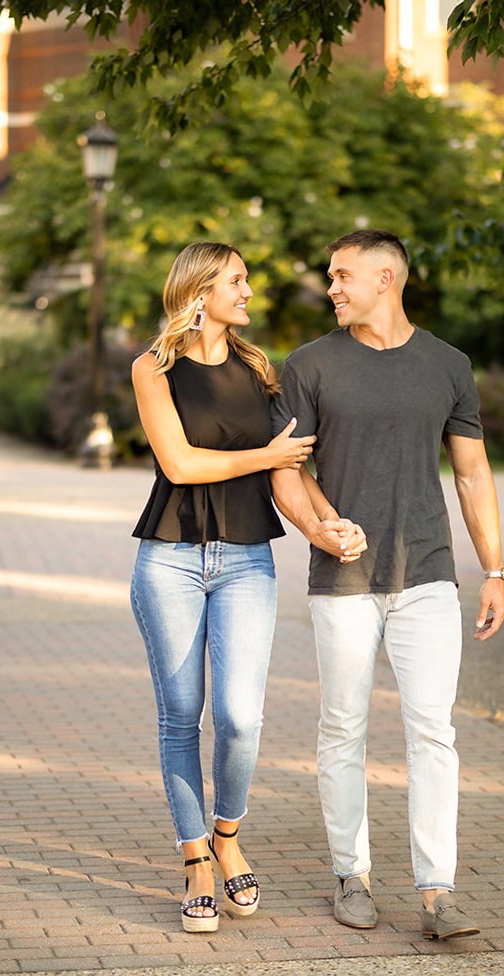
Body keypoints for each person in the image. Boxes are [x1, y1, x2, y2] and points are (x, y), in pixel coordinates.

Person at [270, 229, 504, 942]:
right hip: (342, 579)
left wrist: (494, 570)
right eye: (331, 277)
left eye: (342, 276)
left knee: (433, 730)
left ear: (385, 279)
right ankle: (352, 874)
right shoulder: (308, 366)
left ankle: (438, 893)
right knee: (343, 725)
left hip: (428, 574)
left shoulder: (448, 365)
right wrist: (318, 530)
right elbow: (287, 469)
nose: (332, 288)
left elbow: (472, 473)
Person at [129, 241, 354, 934]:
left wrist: (325, 526)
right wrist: (267, 455)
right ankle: (195, 855)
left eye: (248, 279)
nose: (249, 291)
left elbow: (289, 476)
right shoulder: (153, 367)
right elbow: (181, 463)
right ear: (199, 290)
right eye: (237, 280)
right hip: (169, 559)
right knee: (180, 715)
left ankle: (228, 832)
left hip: (247, 559)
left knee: (240, 716)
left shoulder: (260, 369)